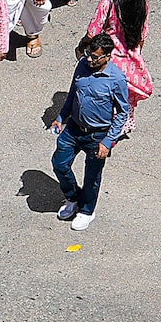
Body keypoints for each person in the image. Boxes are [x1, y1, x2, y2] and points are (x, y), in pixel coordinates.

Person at [50, 32, 130, 226]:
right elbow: (72, 94)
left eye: (95, 56)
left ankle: (87, 210)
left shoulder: (116, 79)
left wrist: (108, 141)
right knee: (59, 164)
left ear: (107, 57)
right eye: (88, 53)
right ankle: (73, 197)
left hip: (98, 135)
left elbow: (122, 112)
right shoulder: (82, 66)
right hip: (73, 129)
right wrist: (61, 118)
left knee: (92, 175)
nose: (89, 59)